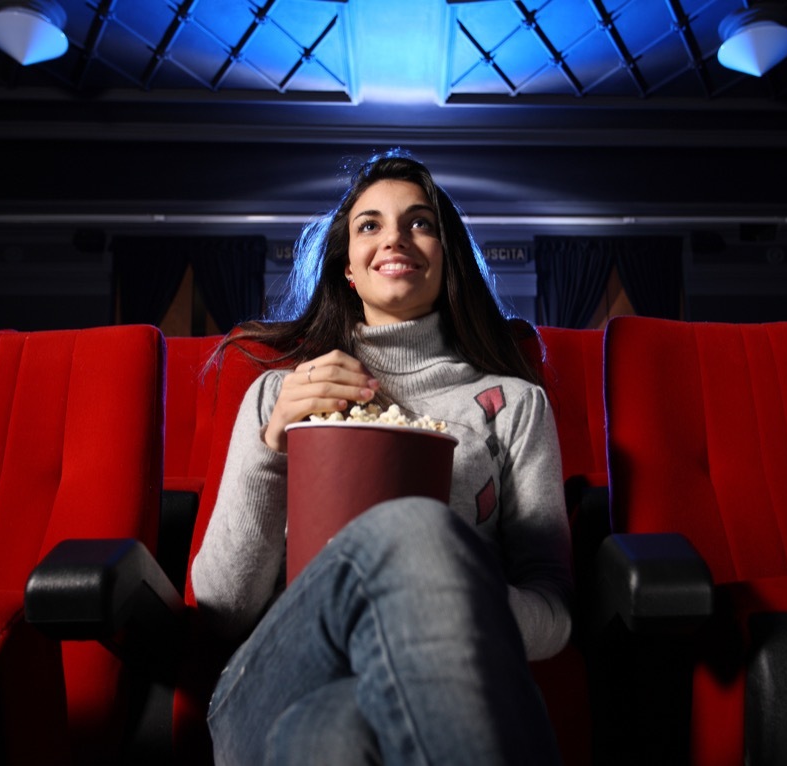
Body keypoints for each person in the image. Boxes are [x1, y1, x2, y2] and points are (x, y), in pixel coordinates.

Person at [191, 148, 573, 765]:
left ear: (447, 256)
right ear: (347, 266)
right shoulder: (278, 394)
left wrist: (446, 593)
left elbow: (554, 617)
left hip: (413, 692)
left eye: (420, 222)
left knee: (335, 735)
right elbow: (223, 609)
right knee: (415, 525)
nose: (394, 237)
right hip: (271, 682)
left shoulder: (513, 405)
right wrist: (274, 445)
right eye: (369, 225)